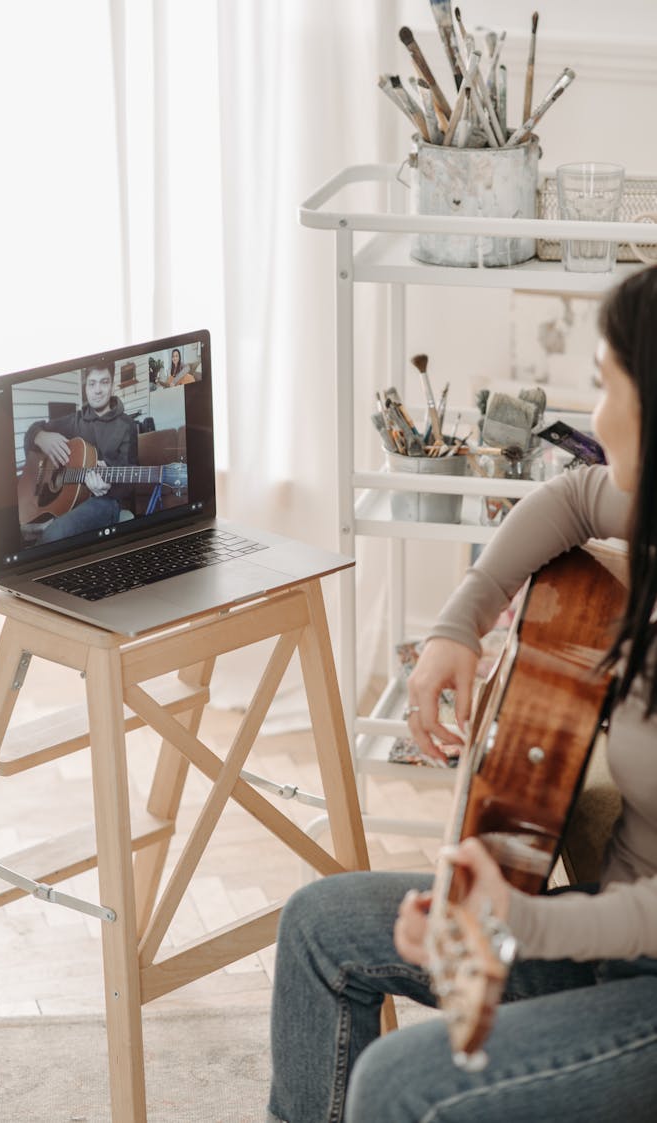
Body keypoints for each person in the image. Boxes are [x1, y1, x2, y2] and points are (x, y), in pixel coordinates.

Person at [267, 264, 657, 1123]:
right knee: (318, 925)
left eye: (605, 385)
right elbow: (570, 497)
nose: (593, 416)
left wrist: (507, 919)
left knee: (403, 1085)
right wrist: (459, 623)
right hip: (600, 936)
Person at [24, 361, 138, 542]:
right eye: (92, 383)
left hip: (105, 502)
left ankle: (49, 526)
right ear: (85, 387)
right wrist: (40, 436)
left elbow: (130, 479)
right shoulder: (73, 421)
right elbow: (32, 432)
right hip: (69, 501)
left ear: (112, 384)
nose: (98, 390)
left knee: (55, 534)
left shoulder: (127, 425)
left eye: (104, 382)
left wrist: (108, 487)